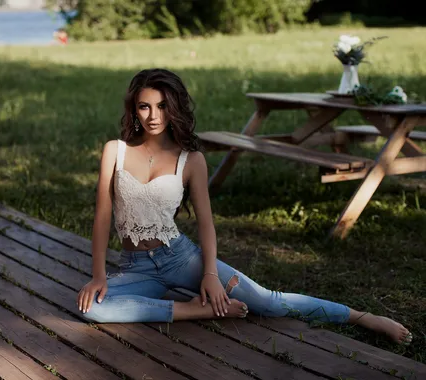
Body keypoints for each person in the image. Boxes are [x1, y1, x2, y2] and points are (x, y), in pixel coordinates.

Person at [77, 68, 412, 345]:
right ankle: (194, 310)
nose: (153, 115)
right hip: (136, 266)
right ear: (134, 110)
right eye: (145, 107)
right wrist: (98, 276)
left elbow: (206, 224)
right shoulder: (115, 150)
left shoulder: (191, 160)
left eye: (162, 106)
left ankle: (363, 317)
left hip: (180, 259)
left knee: (268, 302)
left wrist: (209, 274)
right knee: (93, 308)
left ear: (175, 108)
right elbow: (103, 216)